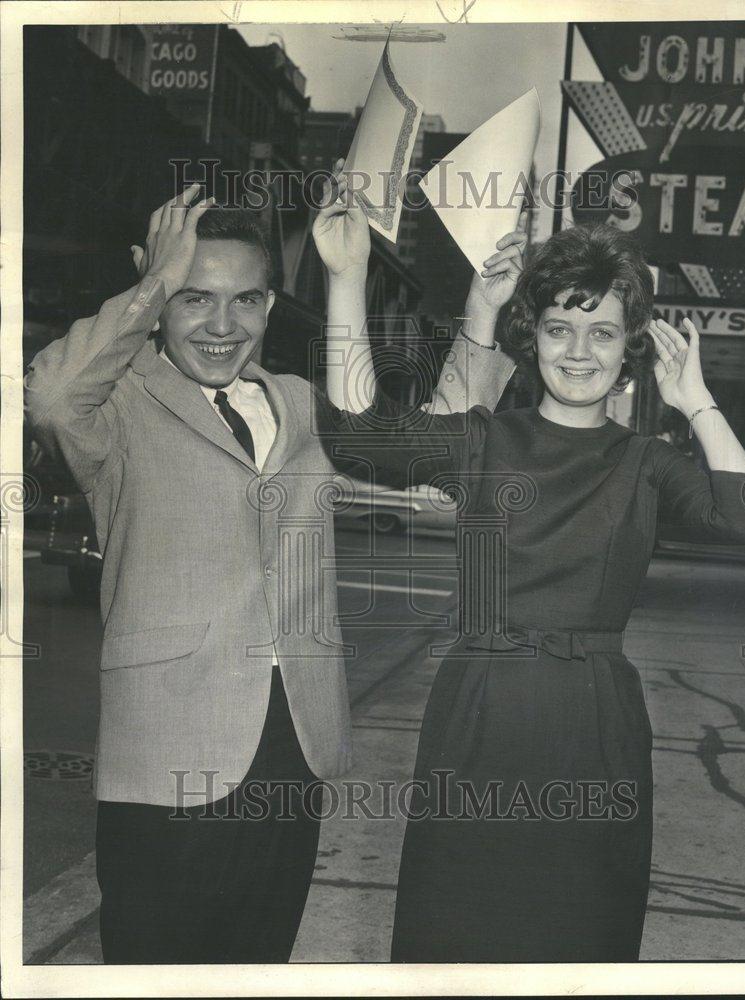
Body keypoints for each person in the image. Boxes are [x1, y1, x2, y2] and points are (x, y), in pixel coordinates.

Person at [23, 183, 504, 963]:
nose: (222, 325)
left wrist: (481, 317)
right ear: (159, 299)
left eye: (245, 299)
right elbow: (47, 396)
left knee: (257, 968)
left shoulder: (301, 402)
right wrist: (150, 286)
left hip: (294, 746)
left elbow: (437, 449)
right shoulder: (118, 404)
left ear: (270, 309)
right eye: (193, 298)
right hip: (166, 750)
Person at [318, 219, 745, 962]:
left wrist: (696, 402)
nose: (578, 352)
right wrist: (344, 276)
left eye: (602, 333)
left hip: (593, 724)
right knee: (458, 928)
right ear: (534, 335)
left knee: (578, 932)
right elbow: (360, 436)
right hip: (480, 709)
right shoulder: (485, 440)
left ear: (629, 349)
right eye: (559, 328)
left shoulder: (646, 462)